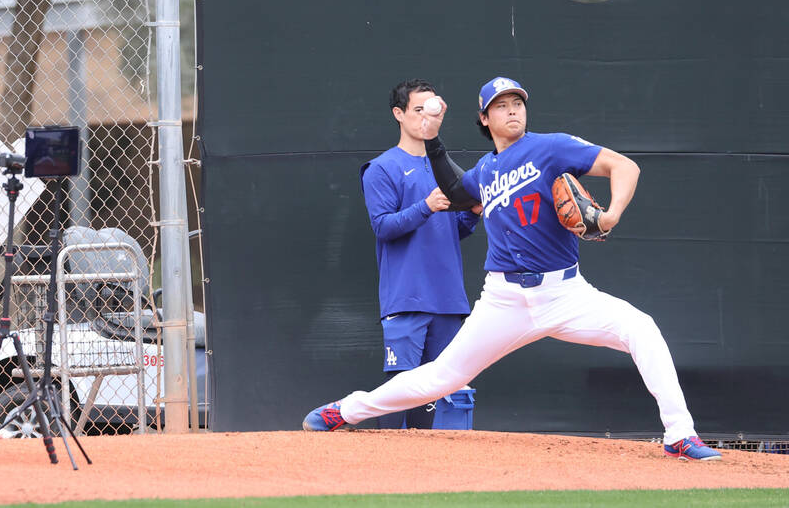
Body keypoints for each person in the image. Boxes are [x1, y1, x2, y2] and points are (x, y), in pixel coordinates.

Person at [304, 76, 722, 461]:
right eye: (501, 105)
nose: (512, 110)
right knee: (441, 378)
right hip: (503, 299)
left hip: (565, 294)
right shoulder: (485, 171)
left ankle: (679, 434)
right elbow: (455, 190)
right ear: (485, 119)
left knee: (641, 327)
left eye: (517, 102)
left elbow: (624, 166)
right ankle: (344, 410)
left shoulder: (551, 147)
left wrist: (611, 214)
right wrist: (432, 141)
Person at [360, 79, 478, 429]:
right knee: (401, 392)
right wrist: (425, 207)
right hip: (406, 300)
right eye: (417, 110)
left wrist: (471, 216)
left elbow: (453, 231)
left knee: (449, 393)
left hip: (449, 301)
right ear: (399, 114)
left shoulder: (445, 167)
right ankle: (390, 475)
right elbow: (383, 226)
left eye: (431, 110)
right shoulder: (381, 167)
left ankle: (447, 477)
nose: (425, 118)